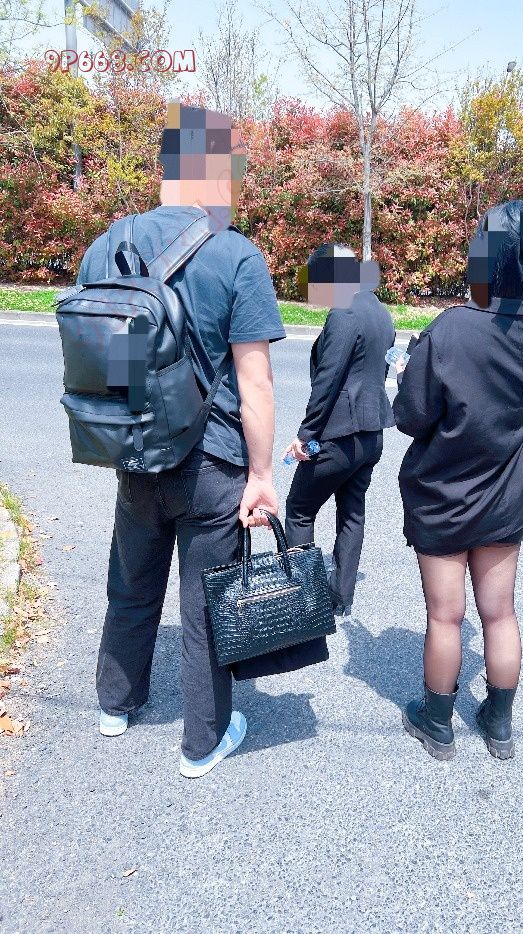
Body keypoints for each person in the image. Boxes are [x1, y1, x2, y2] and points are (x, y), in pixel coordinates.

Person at [78, 102, 288, 778]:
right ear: (218, 173)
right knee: (205, 605)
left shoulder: (108, 244)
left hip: (135, 451)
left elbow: (104, 356)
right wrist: (262, 476)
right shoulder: (236, 255)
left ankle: (116, 705)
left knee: (131, 584)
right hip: (212, 463)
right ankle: (204, 742)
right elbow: (255, 383)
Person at [394, 199, 523, 762]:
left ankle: (437, 724)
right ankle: (499, 724)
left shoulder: (451, 329)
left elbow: (411, 417)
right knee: (499, 612)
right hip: (507, 497)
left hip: (443, 497)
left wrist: (409, 370)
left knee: (444, 615)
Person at [283, 244, 396, 618]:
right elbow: (378, 371)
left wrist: (305, 436)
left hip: (336, 437)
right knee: (351, 513)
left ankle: (306, 601)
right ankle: (340, 596)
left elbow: (327, 382)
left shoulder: (343, 313)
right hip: (372, 434)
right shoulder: (378, 310)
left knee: (300, 510)